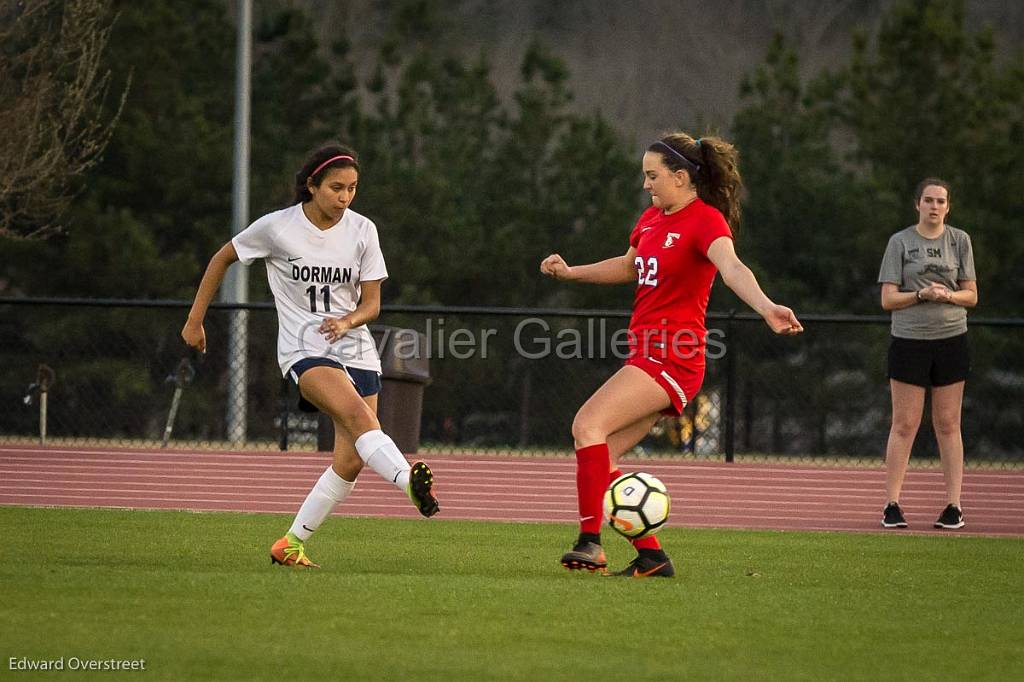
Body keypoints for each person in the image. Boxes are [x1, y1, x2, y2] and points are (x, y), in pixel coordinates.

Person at [540, 133, 803, 577]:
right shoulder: (651, 219)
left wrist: (766, 307)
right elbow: (628, 266)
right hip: (647, 354)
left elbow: (733, 267)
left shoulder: (705, 221)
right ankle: (653, 557)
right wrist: (571, 273)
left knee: (586, 424)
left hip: (674, 357)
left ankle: (589, 543)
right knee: (600, 455)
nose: (646, 184)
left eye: (652, 175)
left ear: (681, 177)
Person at [182, 143, 439, 568]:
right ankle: (407, 480)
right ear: (311, 185)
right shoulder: (277, 228)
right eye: (336, 187)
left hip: (356, 348)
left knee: (352, 458)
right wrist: (195, 321)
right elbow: (221, 258)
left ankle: (290, 543)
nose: (345, 197)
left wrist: (348, 322)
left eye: (353, 188)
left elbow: (372, 304)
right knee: (360, 420)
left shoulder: (363, 230)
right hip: (305, 347)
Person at [878, 178, 977, 530]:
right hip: (909, 339)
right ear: (917, 204)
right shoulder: (901, 242)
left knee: (948, 423)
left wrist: (946, 296)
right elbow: (888, 299)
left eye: (941, 201)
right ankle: (892, 503)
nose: (934, 207)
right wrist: (920, 295)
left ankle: (954, 505)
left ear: (948, 207)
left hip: (951, 338)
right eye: (929, 200)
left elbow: (971, 295)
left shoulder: (960, 241)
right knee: (905, 423)